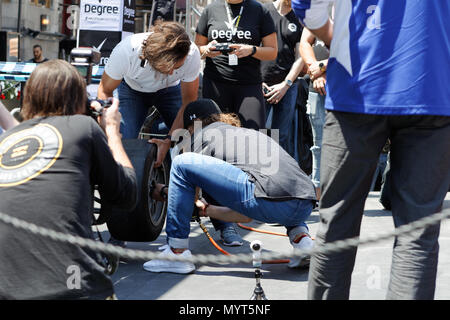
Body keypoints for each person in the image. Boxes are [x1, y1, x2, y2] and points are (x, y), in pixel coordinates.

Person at [292, 0, 450, 300]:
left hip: (357, 84)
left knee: (337, 223)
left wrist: (336, 38)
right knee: (416, 234)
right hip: (431, 83)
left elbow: (307, 5)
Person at [0, 60, 137, 299]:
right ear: (78, 98)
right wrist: (112, 131)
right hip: (71, 286)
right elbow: (126, 195)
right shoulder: (84, 126)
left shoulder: (8, 139)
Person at [142, 98, 317, 274]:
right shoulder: (245, 135)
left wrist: (164, 192)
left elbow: (191, 199)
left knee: (181, 163)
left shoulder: (201, 137)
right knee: (284, 186)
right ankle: (303, 241)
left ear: (190, 127)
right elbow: (246, 215)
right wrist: (207, 210)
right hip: (305, 202)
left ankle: (177, 253)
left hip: (265, 199)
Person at [194, 0, 278, 245]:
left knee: (256, 142)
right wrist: (207, 49)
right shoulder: (211, 9)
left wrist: (250, 50)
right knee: (211, 144)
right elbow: (196, 49)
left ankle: (258, 204)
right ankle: (224, 223)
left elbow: (271, 50)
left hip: (248, 85)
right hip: (215, 82)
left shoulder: (259, 10)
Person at [97, 20, 201, 168]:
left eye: (178, 67)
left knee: (188, 137)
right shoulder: (127, 50)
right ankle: (125, 181)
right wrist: (109, 130)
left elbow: (188, 103)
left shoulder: (191, 53)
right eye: (168, 67)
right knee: (124, 140)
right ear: (154, 57)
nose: (172, 72)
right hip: (132, 90)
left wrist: (169, 141)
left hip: (170, 90)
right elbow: (105, 90)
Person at [261, 0, 305, 158]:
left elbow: (301, 57)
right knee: (255, 134)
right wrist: (256, 80)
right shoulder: (263, 11)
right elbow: (251, 46)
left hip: (287, 86)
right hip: (261, 83)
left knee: (281, 136)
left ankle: (279, 179)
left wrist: (286, 85)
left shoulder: (300, 17)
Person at [299, 26, 330, 200]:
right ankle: (317, 194)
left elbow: (359, 47)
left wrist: (323, 66)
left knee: (349, 143)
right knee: (318, 145)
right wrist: (316, 72)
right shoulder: (319, 7)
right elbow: (305, 42)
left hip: (347, 87)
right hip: (317, 87)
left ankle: (344, 194)